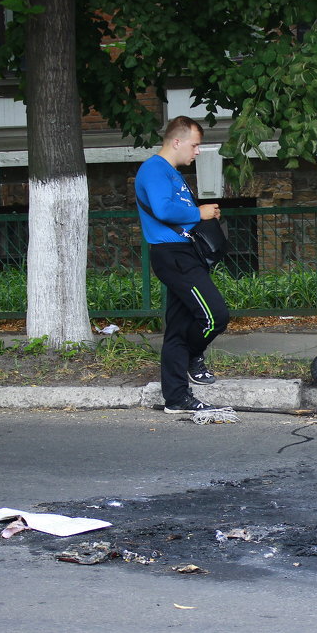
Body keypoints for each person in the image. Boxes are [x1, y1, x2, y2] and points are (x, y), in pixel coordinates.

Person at [135, 116, 231, 414]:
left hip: (184, 253)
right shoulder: (154, 169)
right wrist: (198, 212)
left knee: (177, 330)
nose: (197, 151)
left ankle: (176, 398)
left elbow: (177, 211)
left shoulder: (171, 172)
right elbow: (163, 209)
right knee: (215, 315)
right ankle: (193, 356)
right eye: (195, 144)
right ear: (176, 141)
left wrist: (202, 214)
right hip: (172, 255)